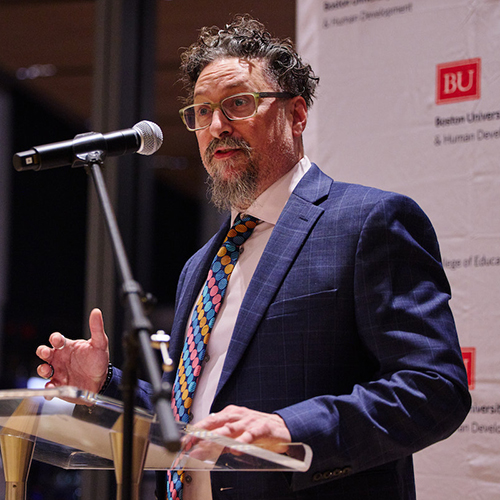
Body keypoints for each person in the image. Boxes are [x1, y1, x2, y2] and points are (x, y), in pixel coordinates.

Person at [36, 15, 471, 500]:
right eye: (202, 112)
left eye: (237, 103)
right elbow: (190, 417)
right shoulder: (200, 265)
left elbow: (434, 389)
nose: (216, 126)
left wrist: (289, 430)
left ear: (297, 114)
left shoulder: (368, 221)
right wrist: (106, 383)